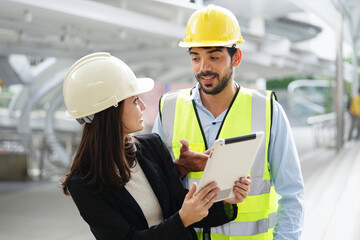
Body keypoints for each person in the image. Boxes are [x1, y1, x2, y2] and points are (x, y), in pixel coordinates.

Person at [60, 52, 252, 240]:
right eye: (135, 100)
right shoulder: (83, 184)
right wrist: (182, 219)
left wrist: (225, 200)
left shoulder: (151, 147)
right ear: (111, 111)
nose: (143, 106)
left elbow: (180, 204)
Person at [152, 4, 305, 240]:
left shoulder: (267, 110)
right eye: (195, 57)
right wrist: (179, 168)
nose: (204, 68)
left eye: (214, 57)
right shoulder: (168, 109)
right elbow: (155, 189)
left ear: (237, 57)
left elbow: (292, 193)